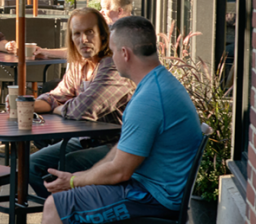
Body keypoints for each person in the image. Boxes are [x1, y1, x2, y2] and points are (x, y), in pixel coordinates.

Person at [42, 16, 203, 224]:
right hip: (149, 187)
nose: (111, 57)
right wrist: (84, 178)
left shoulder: (149, 99)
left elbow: (120, 171)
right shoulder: (157, 82)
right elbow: (121, 150)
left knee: (55, 206)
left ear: (125, 53)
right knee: (67, 196)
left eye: (113, 50)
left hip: (154, 198)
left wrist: (74, 180)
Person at [19, 8, 133, 197]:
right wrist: (27, 105)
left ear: (103, 36)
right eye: (77, 34)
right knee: (31, 166)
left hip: (116, 144)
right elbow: (58, 94)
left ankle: (71, 210)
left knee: (69, 163)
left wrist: (58, 108)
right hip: (85, 139)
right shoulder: (78, 63)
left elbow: (84, 109)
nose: (84, 39)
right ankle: (62, 211)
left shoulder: (113, 65)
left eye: (89, 32)